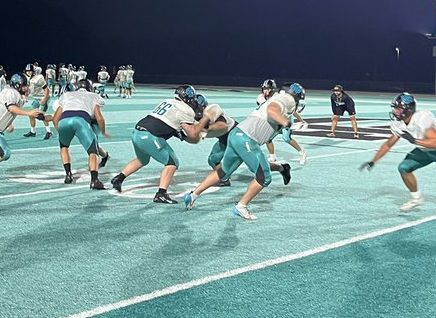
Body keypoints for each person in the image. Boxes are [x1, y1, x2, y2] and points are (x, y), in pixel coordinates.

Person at [182, 83, 304, 220]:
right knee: (264, 178)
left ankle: (193, 195)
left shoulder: (276, 98)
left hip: (236, 134)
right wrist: (286, 122)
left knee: (223, 171)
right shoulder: (286, 99)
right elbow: (272, 110)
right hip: (247, 139)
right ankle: (241, 206)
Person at [109, 85, 210, 203]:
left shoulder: (168, 101)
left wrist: (180, 134)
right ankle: (161, 194)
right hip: (150, 136)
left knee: (142, 160)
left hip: (137, 131)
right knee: (172, 163)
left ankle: (119, 178)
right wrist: (202, 124)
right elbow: (192, 135)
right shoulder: (186, 110)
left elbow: (167, 122)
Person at [0, 73, 47, 183]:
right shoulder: (11, 92)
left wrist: (9, 123)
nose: (27, 88)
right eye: (25, 85)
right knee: (5, 153)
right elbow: (11, 108)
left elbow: (9, 110)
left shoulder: (15, 94)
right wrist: (29, 113)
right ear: (17, 85)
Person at [52, 78, 111, 189]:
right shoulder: (94, 96)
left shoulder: (67, 95)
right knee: (93, 152)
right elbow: (99, 117)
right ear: (90, 87)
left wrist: (59, 131)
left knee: (64, 147)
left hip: (64, 121)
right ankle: (94, 180)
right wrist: (103, 131)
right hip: (81, 120)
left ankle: (68, 175)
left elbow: (55, 118)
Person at [257, 79, 305, 167]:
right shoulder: (260, 98)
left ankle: (302, 152)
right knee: (268, 138)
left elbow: (292, 111)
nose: (265, 91)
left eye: (267, 88)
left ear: (273, 89)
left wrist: (300, 120)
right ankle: (272, 156)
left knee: (286, 138)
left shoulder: (278, 96)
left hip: (285, 119)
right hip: (274, 120)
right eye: (264, 89)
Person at [23, 67, 54, 140]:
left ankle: (49, 131)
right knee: (31, 115)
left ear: (33, 71)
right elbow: (28, 90)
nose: (28, 73)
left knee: (41, 116)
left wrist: (44, 99)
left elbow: (47, 90)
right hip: (36, 99)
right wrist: (26, 97)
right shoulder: (28, 79)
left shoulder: (39, 78)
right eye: (27, 71)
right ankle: (33, 131)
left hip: (43, 97)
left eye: (30, 71)